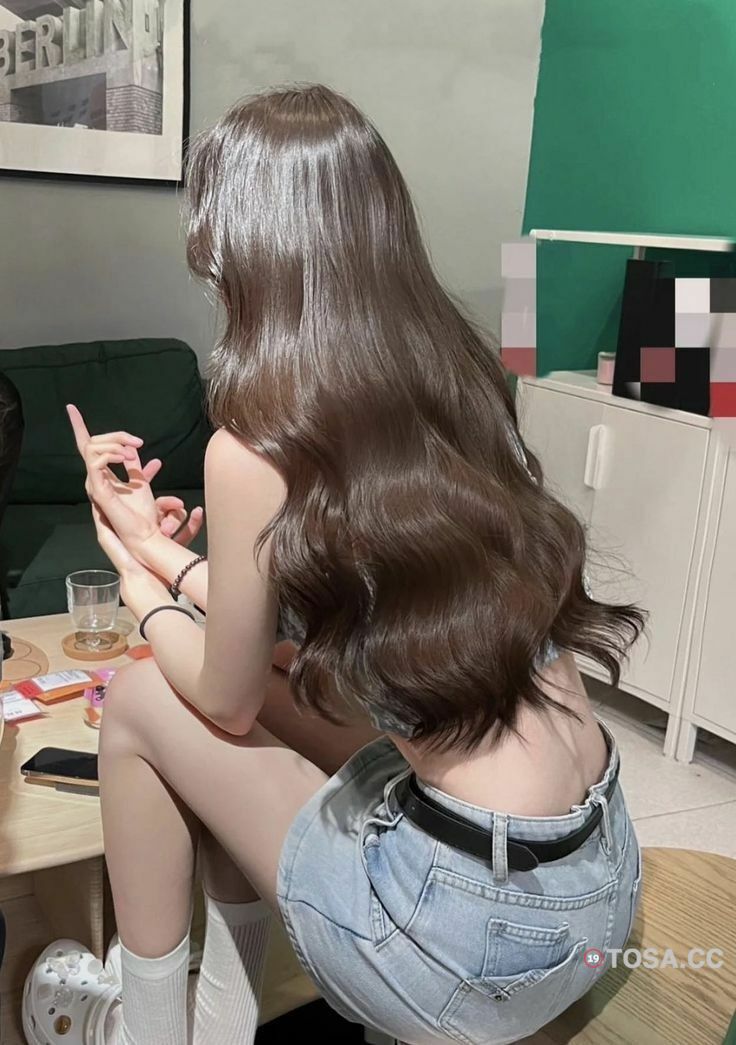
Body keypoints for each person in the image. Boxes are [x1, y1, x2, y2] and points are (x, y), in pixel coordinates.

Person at [24, 84, 645, 1045]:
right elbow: (298, 643)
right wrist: (161, 552)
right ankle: (219, 1023)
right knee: (273, 676)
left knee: (148, 698)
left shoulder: (255, 446)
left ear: (237, 254)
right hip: (597, 879)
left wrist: (144, 594)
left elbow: (221, 696)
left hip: (471, 940)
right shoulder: (459, 383)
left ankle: (145, 1030)